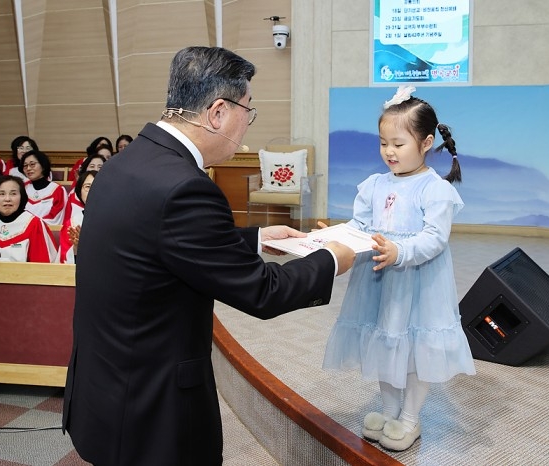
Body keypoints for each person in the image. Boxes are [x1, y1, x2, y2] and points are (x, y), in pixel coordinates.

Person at [62, 46, 356, 466]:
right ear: (218, 112)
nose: (247, 123)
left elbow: (160, 240)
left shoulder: (127, 163)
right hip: (151, 405)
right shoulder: (186, 186)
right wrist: (332, 258)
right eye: (247, 110)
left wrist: (255, 238)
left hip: (106, 385)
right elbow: (263, 291)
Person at [322, 85, 476, 451]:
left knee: (414, 347)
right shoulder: (374, 185)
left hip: (416, 281)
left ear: (425, 143)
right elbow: (360, 226)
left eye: (398, 144)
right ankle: (390, 411)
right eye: (383, 143)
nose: (389, 152)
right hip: (380, 280)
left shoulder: (434, 188)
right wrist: (333, 234)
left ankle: (409, 418)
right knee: (384, 342)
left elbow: (435, 238)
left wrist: (400, 251)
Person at [0, 175, 57, 262]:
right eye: (2, 194)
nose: (7, 199)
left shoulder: (34, 224)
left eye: (13, 194)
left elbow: (41, 264)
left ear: (22, 197)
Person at [57, 170, 96, 264]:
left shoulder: (115, 221)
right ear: (79, 192)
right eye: (88, 187)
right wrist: (76, 248)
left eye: (97, 186)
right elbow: (64, 260)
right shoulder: (72, 225)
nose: (92, 191)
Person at [20, 150, 67, 225]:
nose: (28, 168)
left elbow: (56, 219)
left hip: (47, 230)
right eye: (25, 166)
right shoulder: (21, 188)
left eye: (32, 164)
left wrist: (33, 225)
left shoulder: (58, 190)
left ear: (43, 165)